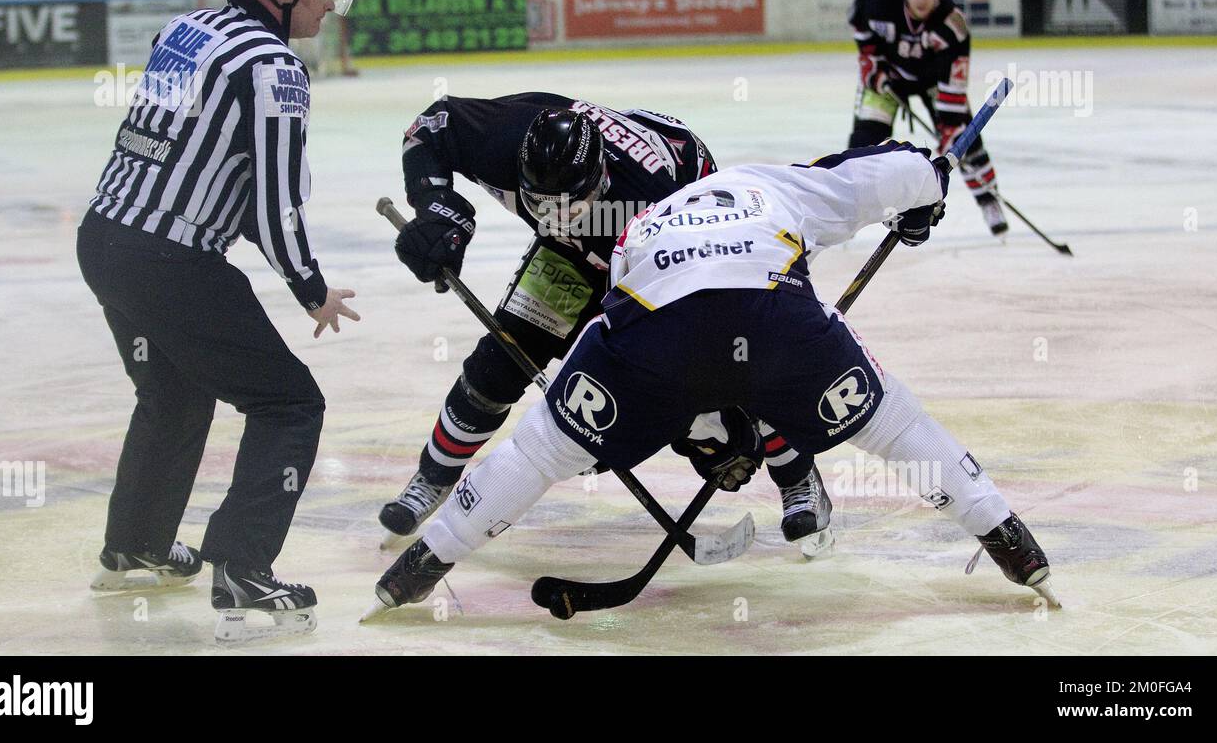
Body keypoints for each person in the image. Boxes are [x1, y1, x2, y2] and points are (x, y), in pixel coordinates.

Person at [366, 141, 1055, 615]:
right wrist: (926, 198)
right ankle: (1009, 541)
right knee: (897, 425)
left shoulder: (642, 225)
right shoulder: (776, 183)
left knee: (539, 449)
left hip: (652, 327)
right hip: (776, 317)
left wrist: (707, 427)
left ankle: (420, 566)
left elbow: (667, 347)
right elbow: (899, 171)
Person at [382, 94, 835, 556]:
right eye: (542, 205)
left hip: (676, 248)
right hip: (578, 252)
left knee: (731, 363)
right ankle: (432, 478)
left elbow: (669, 346)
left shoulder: (653, 199)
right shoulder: (503, 136)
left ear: (600, 180)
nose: (556, 217)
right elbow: (431, 125)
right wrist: (437, 209)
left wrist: (700, 424)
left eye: (571, 207)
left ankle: (797, 473)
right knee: (500, 362)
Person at [77, 0, 360, 643]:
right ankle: (242, 570)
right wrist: (310, 287)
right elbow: (273, 205)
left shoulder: (188, 28)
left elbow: (153, 140)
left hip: (106, 238)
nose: (332, 1)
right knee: (290, 405)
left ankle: (134, 546)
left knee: (172, 392)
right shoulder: (275, 69)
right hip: (171, 258)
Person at [847, 0, 1008, 236]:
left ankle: (989, 200)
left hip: (933, 82)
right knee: (863, 144)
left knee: (966, 142)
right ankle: (850, 206)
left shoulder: (953, 25)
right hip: (890, 78)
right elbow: (858, 21)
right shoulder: (880, 4)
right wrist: (872, 66)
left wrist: (949, 125)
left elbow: (953, 83)